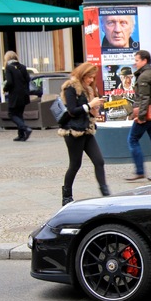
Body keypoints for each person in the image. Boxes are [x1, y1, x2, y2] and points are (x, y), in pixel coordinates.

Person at [58, 62, 109, 205]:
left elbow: (89, 110)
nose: (91, 80)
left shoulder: (88, 89)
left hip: (86, 129)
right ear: (83, 75)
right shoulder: (71, 87)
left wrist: (95, 107)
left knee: (99, 161)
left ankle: (105, 192)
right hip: (73, 130)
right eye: (89, 77)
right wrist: (89, 105)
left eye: (93, 78)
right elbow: (72, 111)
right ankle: (66, 195)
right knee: (75, 164)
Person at [126, 50, 151, 183]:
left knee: (132, 139)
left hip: (147, 114)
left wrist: (141, 116)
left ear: (144, 60)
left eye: (137, 60)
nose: (135, 63)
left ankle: (139, 171)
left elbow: (144, 98)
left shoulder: (144, 76)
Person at [3, 51, 32, 142]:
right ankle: (21, 135)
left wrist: (5, 88)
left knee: (11, 114)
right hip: (24, 95)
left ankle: (25, 128)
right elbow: (28, 79)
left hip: (15, 95)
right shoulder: (22, 67)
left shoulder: (9, 68)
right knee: (19, 114)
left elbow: (10, 82)